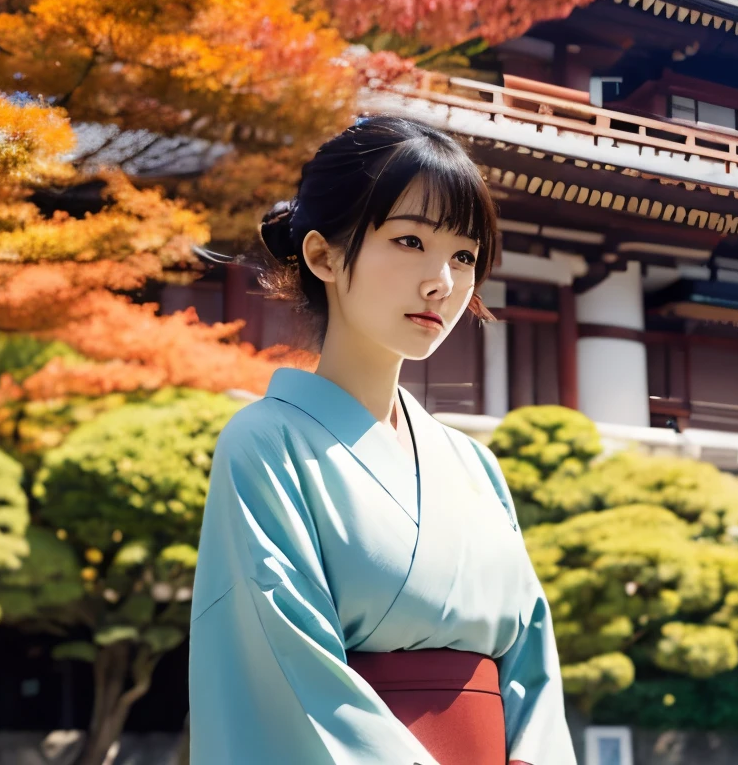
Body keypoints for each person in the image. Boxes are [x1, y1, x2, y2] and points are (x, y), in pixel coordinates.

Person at [188, 116, 574, 765]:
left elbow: (533, 672)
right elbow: (289, 679)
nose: (442, 283)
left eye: (463, 256)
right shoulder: (264, 444)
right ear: (323, 256)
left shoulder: (476, 466)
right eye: (408, 240)